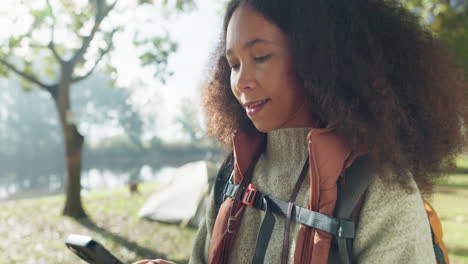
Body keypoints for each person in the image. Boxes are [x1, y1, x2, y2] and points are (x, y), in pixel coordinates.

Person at [133, 0, 467, 263]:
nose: (241, 81)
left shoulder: (378, 187)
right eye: (233, 64)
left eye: (260, 56)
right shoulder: (231, 176)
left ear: (319, 58)